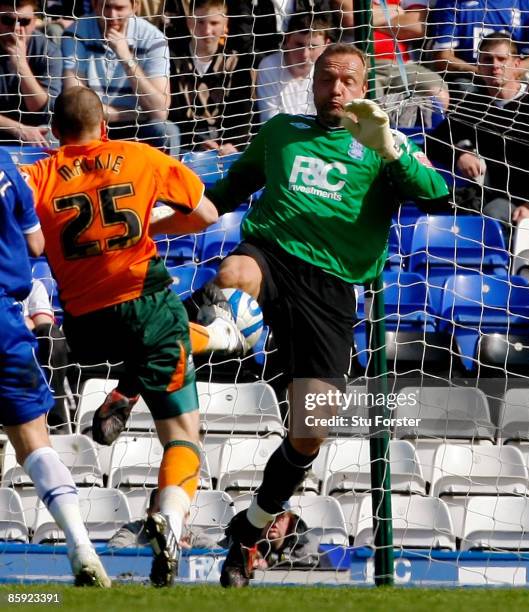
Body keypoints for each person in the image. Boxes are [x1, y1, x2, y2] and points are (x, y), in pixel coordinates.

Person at [199, 42, 449, 587]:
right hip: (271, 256)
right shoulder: (281, 132)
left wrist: (392, 151)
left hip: (332, 292)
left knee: (312, 430)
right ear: (311, 85)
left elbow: (437, 195)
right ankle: (207, 339)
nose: (335, 89)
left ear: (365, 88)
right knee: (233, 275)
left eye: (347, 80)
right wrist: (168, 209)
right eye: (325, 79)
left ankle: (252, 528)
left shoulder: (385, 145)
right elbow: (224, 193)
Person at [21, 85, 244, 587]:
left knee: (161, 345)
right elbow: (209, 215)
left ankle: (127, 388)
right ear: (105, 128)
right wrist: (152, 228)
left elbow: (29, 237)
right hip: (145, 301)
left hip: (84, 324)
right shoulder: (139, 156)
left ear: (55, 133)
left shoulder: (36, 174)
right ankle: (170, 516)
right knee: (184, 432)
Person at [0, 147, 110, 587]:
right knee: (35, 445)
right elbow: (36, 243)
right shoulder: (5, 163)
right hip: (5, 323)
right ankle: (80, 544)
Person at [427, 33, 529, 231]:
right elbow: (433, 142)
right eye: (487, 59)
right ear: (479, 65)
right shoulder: (473, 106)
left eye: (502, 59)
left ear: (516, 64)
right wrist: (460, 152)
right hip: (502, 201)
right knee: (491, 217)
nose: (495, 66)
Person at [61, 0, 173, 150]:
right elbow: (76, 105)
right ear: (95, 5)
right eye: (106, 7)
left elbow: (160, 111)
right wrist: (135, 114)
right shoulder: (75, 33)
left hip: (138, 127)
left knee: (166, 131)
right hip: (90, 127)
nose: (112, 15)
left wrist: (126, 58)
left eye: (119, 8)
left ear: (135, 7)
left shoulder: (154, 39)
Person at [168, 0, 254, 154]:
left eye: (214, 23)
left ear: (225, 24)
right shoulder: (173, 60)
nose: (207, 30)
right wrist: (198, 141)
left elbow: (242, 111)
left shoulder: (235, 62)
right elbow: (173, 112)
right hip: (184, 141)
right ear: (189, 23)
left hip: (225, 144)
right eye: (200, 22)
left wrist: (233, 143)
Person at [429, 0, 529, 95]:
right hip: (471, 78)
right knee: (464, 90)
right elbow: (443, 58)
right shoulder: (452, 3)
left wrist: (513, 71)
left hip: (515, 77)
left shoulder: (526, 4)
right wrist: (482, 73)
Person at [0, 0, 62, 145]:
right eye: (7, 20)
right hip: (11, 128)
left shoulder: (47, 51)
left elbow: (44, 111)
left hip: (35, 130)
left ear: (35, 22)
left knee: (51, 137)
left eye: (24, 21)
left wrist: (21, 65)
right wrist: (18, 129)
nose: (16, 29)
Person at [255, 13, 331, 124]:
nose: (304, 54)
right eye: (299, 45)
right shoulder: (270, 66)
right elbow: (269, 121)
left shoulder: (329, 69)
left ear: (326, 45)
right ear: (287, 39)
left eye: (313, 47)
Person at [22, 279, 71, 430]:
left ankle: (55, 415)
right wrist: (25, 321)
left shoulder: (32, 285)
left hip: (28, 349)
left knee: (52, 334)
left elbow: (45, 323)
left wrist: (9, 325)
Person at [220, 510, 321, 570]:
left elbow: (308, 565)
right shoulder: (239, 537)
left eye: (280, 516)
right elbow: (215, 553)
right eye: (268, 515)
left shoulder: (306, 542)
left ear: (291, 521)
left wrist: (270, 562)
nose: (273, 521)